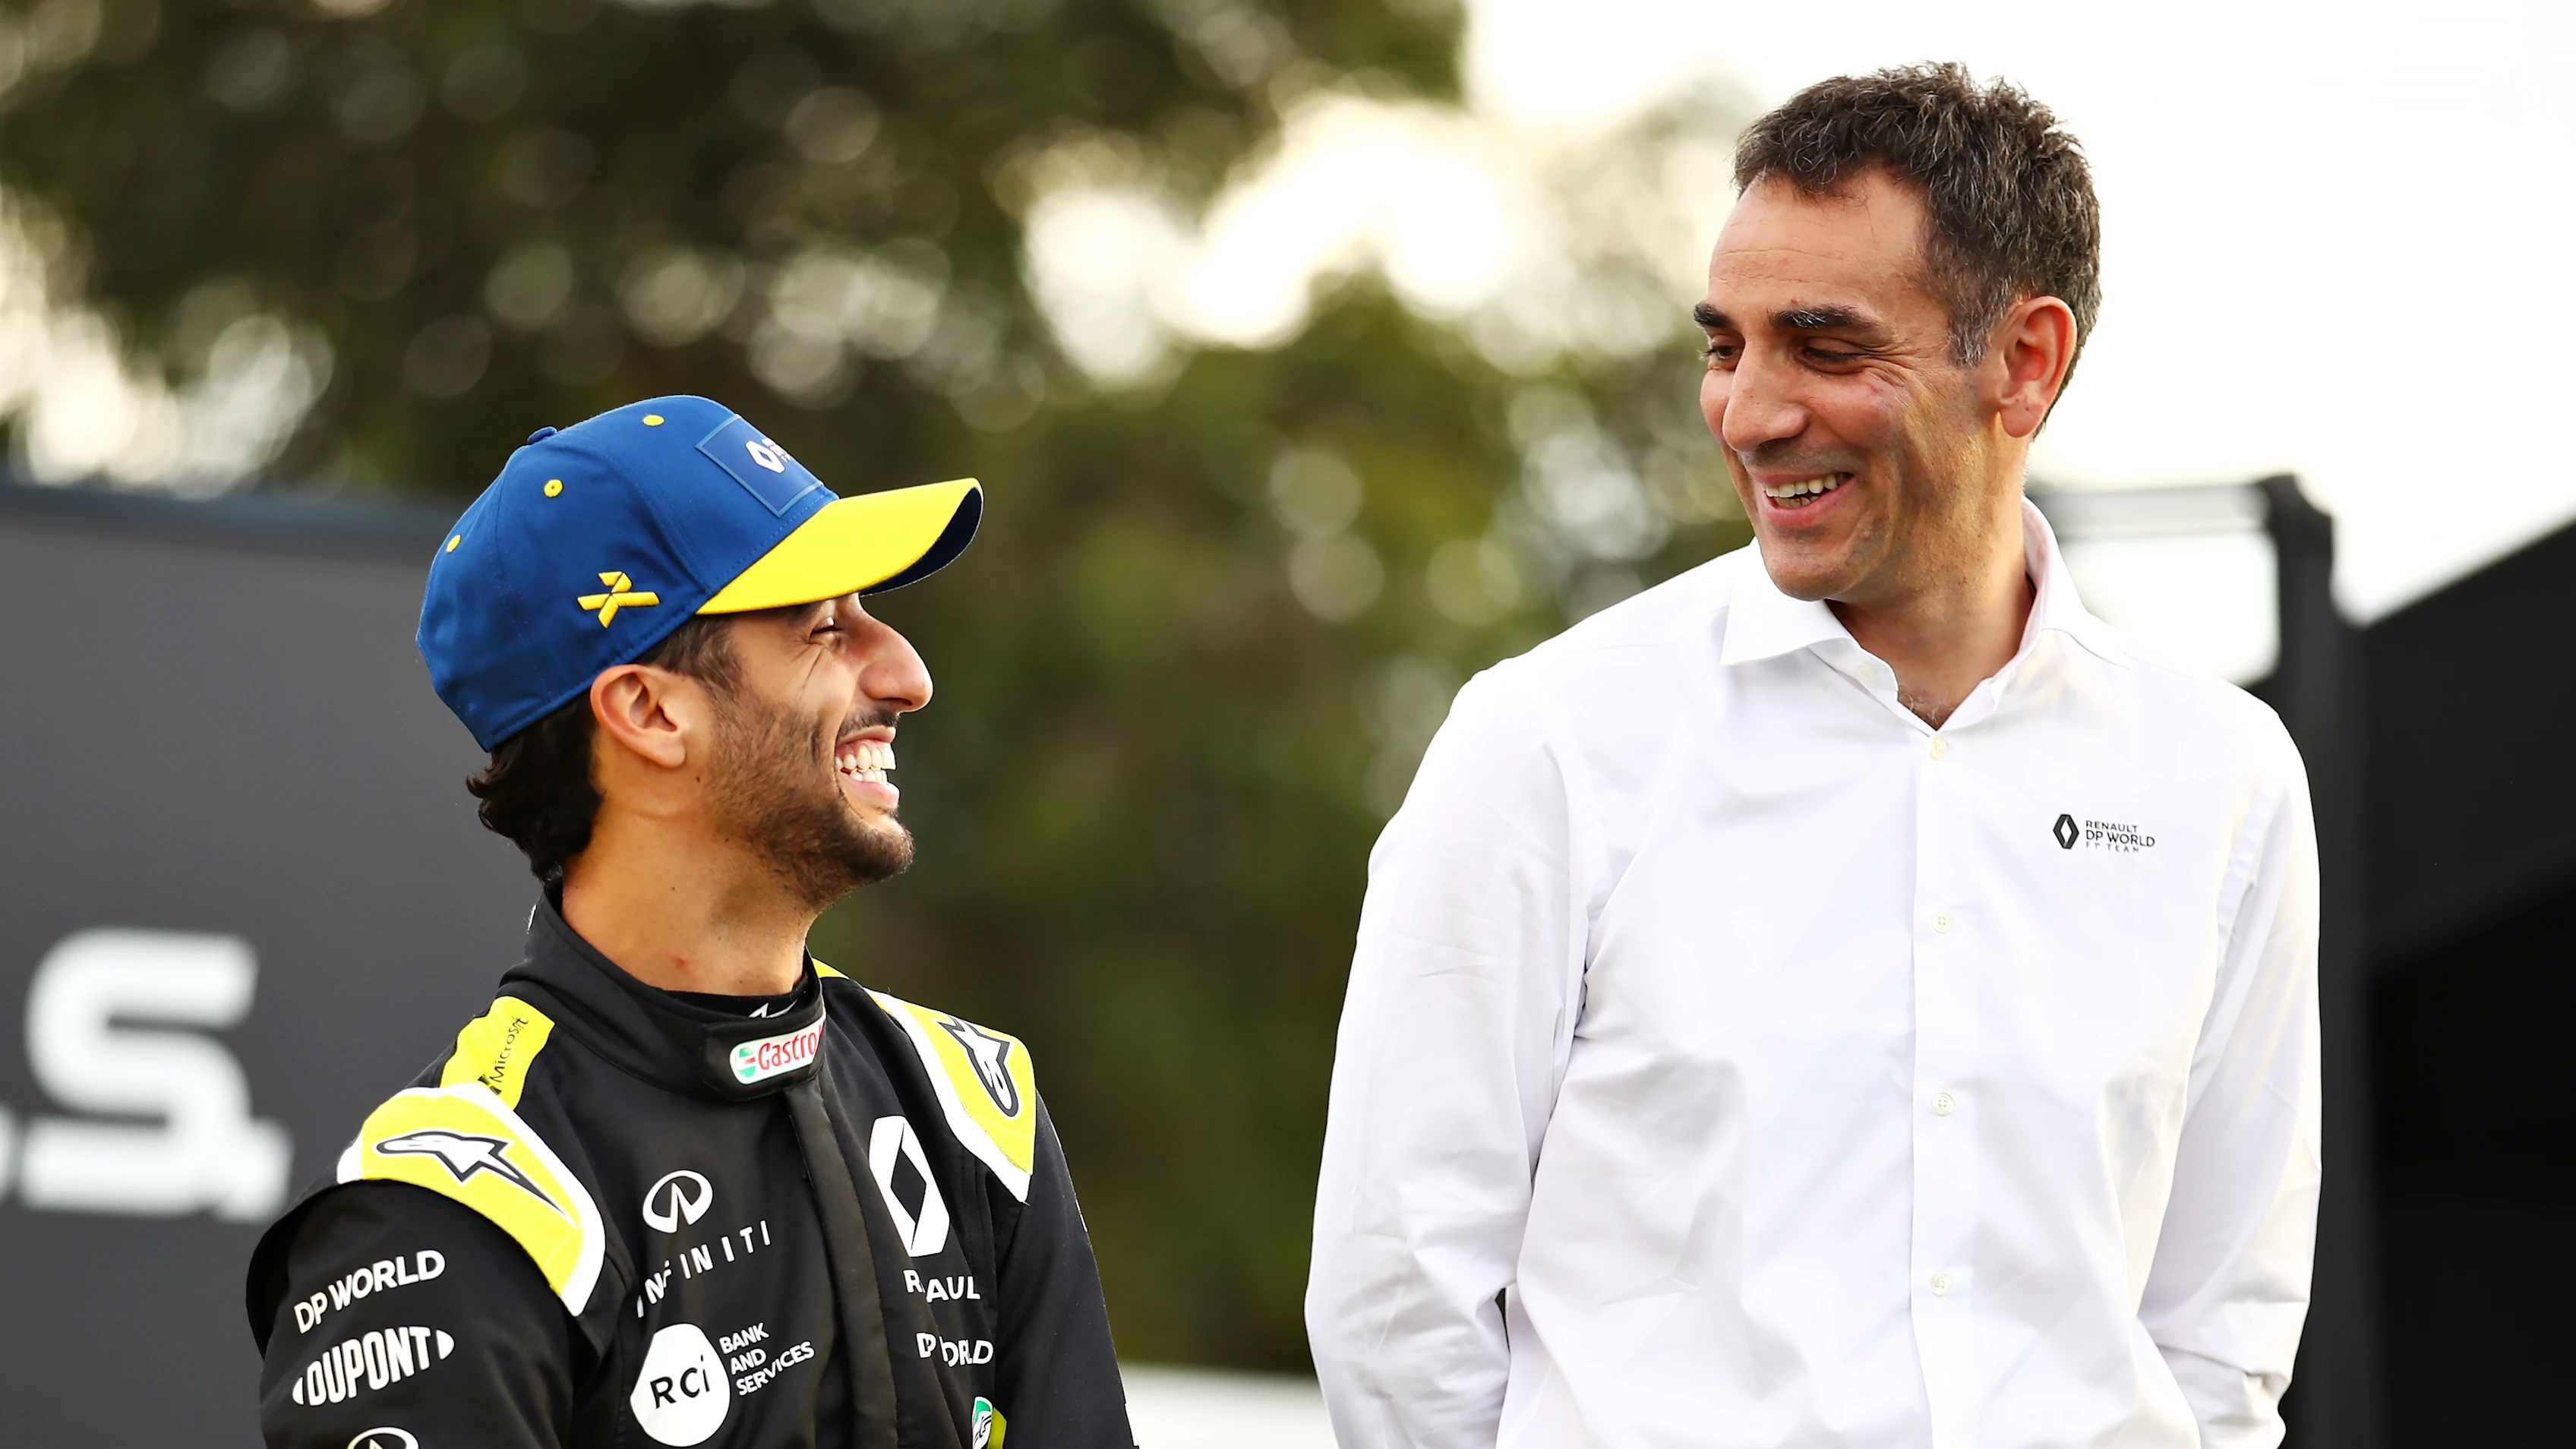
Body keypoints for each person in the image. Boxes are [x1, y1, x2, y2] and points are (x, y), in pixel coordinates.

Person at [1307, 64, 2319, 1449]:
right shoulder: (1547, 741)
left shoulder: (2227, 776)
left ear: (2025, 361)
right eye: (1727, 344)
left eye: (1827, 348)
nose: (1749, 412)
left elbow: (2222, 1337)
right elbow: (1395, 1301)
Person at [245, 396, 1132, 1449]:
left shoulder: (974, 1114)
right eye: (825, 628)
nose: (906, 675)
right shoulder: (450, 1217)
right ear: (650, 712)